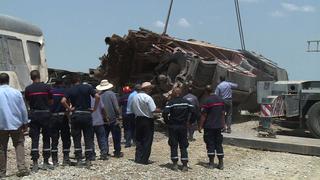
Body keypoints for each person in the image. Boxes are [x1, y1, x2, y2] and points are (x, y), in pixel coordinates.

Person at [61, 74, 100, 167]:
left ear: (72, 81)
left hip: (76, 115)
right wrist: (94, 109)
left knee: (77, 138)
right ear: (80, 79)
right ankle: (88, 160)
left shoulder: (70, 89)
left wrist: (70, 109)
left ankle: (78, 160)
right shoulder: (87, 87)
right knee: (88, 137)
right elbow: (98, 96)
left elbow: (63, 101)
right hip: (86, 114)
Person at [0, 73, 30, 177]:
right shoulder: (16, 92)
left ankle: (2, 172)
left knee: (1, 148)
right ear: (8, 81)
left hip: (1, 125)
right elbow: (23, 109)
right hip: (16, 123)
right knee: (19, 144)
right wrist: (25, 123)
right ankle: (21, 168)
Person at [25, 70, 53, 172]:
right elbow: (51, 100)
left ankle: (35, 163)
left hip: (34, 115)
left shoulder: (28, 89)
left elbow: (28, 102)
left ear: (31, 77)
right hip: (45, 114)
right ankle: (46, 161)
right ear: (39, 76)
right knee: (46, 138)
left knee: (35, 139)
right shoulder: (47, 87)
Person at [163, 87, 195, 172]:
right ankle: (184, 165)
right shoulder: (187, 102)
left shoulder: (171, 102)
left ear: (174, 93)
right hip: (183, 126)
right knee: (183, 145)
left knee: (173, 144)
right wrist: (191, 121)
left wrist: (167, 122)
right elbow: (195, 112)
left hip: (173, 126)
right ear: (181, 93)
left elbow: (165, 113)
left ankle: (175, 164)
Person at [131, 82, 159, 164]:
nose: (151, 90)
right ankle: (144, 159)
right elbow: (153, 109)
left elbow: (132, 109)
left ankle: (138, 157)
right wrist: (161, 109)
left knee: (139, 139)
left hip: (138, 119)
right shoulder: (148, 98)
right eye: (150, 88)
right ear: (146, 89)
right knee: (147, 139)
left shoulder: (135, 97)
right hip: (147, 120)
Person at [199, 85, 225, 170]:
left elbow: (204, 115)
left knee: (210, 143)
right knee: (218, 144)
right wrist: (223, 124)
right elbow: (222, 114)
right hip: (218, 126)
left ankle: (211, 163)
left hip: (209, 126)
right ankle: (221, 164)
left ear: (206, 92)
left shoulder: (207, 101)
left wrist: (200, 126)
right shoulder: (221, 100)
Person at [97, 80, 123, 158]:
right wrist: (119, 115)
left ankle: (104, 151)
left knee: (104, 136)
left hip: (103, 118)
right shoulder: (111, 94)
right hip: (113, 118)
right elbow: (116, 106)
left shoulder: (99, 95)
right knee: (116, 136)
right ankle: (117, 152)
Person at [50, 79, 71, 166]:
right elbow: (68, 104)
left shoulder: (51, 92)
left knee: (54, 139)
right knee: (65, 138)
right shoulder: (65, 92)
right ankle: (66, 159)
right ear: (62, 83)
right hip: (63, 117)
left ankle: (55, 160)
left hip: (53, 117)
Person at [91, 94, 108, 160]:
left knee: (90, 139)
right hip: (99, 121)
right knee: (102, 138)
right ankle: (103, 153)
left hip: (90, 122)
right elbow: (103, 108)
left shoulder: (84, 98)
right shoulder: (97, 97)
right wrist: (106, 117)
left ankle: (92, 154)